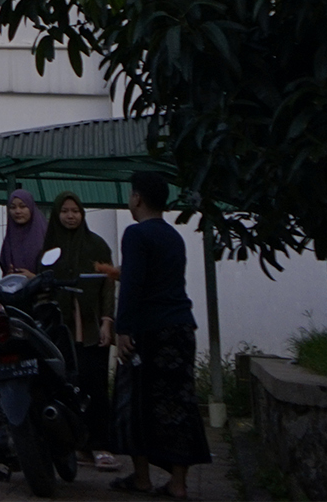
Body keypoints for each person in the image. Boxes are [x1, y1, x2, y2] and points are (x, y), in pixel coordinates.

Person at [111, 170, 210, 497]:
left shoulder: (136, 234)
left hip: (148, 330)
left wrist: (122, 328)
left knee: (133, 400)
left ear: (137, 198)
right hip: (180, 327)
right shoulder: (173, 236)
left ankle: (141, 478)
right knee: (178, 401)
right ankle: (178, 483)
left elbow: (133, 285)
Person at [44, 190, 119, 470]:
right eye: (65, 211)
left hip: (91, 328)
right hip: (60, 331)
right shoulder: (49, 248)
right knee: (64, 388)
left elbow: (108, 285)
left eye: (75, 211)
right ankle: (74, 446)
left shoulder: (96, 245)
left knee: (95, 384)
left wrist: (107, 321)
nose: (70, 216)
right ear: (56, 214)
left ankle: (100, 445)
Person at [0, 187, 52, 278]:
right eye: (13, 207)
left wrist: (33, 277)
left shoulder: (45, 235)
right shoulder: (9, 238)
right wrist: (9, 276)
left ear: (31, 207)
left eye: (23, 206)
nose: (17, 211)